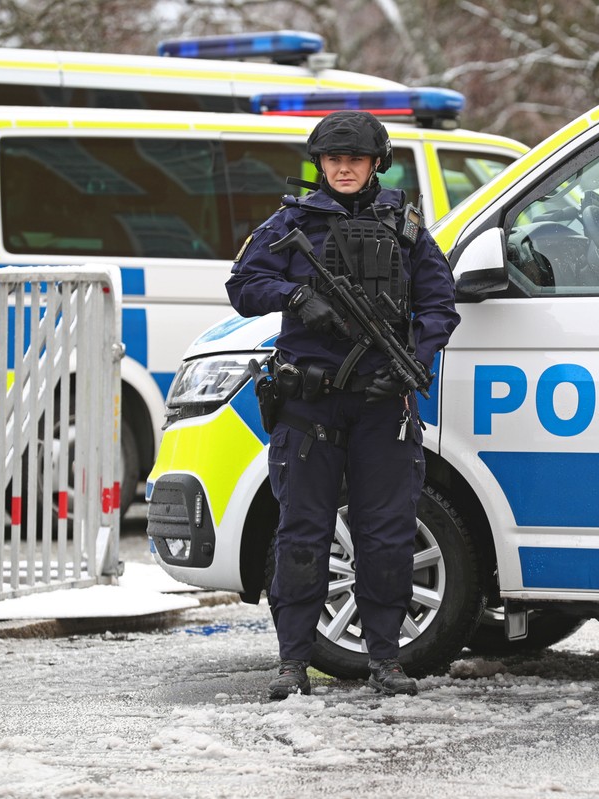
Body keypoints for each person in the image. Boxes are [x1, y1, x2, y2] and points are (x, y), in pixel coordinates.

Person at [225, 110, 460, 701]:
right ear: (320, 165)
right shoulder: (290, 223)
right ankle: (293, 662)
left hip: (383, 405)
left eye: (355, 159)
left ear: (376, 162)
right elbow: (243, 286)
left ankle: (386, 658)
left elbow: (439, 307)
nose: (344, 168)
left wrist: (412, 361)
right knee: (302, 535)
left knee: (387, 535)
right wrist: (297, 295)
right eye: (333, 160)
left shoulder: (405, 228)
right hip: (311, 408)